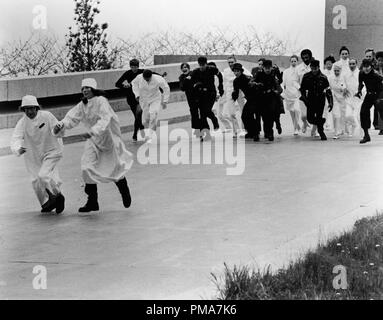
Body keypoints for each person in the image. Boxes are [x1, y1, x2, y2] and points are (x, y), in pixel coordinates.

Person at [53, 78, 133, 212]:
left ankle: (123, 188)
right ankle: (92, 201)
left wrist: (94, 131)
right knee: (86, 168)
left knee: (114, 167)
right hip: (92, 140)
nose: (85, 90)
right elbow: (71, 118)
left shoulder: (101, 100)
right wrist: (60, 125)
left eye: (88, 88)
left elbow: (105, 118)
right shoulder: (82, 104)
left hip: (107, 139)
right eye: (83, 88)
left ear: (93, 89)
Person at [11, 95, 65, 214]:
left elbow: (59, 130)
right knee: (36, 180)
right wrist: (18, 148)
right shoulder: (22, 122)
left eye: (31, 108)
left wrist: (57, 130)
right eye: (26, 109)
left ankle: (58, 196)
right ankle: (47, 203)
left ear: (37, 108)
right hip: (33, 154)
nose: (29, 111)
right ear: (23, 110)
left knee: (44, 175)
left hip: (52, 150)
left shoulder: (47, 116)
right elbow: (15, 138)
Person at [131, 69, 170, 144]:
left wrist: (165, 100)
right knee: (145, 120)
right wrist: (137, 94)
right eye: (145, 79)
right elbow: (134, 84)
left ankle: (150, 135)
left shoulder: (158, 79)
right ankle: (147, 130)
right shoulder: (139, 77)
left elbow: (166, 88)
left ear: (151, 76)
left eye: (148, 79)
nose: (146, 80)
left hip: (155, 98)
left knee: (153, 114)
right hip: (143, 99)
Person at [300, 60, 334, 141]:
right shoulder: (306, 76)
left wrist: (330, 102)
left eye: (315, 68)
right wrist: (304, 99)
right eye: (312, 68)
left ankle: (321, 132)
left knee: (319, 116)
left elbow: (328, 91)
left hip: (320, 99)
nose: (314, 70)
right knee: (310, 118)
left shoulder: (323, 77)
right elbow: (302, 90)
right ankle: (321, 122)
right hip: (310, 99)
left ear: (318, 67)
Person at [190, 56, 221, 141]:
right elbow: (191, 81)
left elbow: (220, 76)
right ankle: (205, 133)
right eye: (200, 65)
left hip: (211, 93)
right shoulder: (196, 71)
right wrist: (195, 85)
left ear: (206, 64)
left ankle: (214, 120)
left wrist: (220, 87)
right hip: (201, 94)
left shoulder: (212, 69)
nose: (201, 67)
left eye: (203, 65)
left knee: (207, 110)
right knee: (202, 115)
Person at [115, 59, 145, 142]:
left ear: (138, 66)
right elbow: (117, 84)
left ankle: (135, 134)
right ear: (130, 66)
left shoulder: (142, 72)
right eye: (132, 67)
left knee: (138, 114)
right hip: (131, 97)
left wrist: (161, 76)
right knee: (137, 116)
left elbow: (152, 74)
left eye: (135, 67)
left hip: (140, 97)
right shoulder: (127, 73)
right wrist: (124, 86)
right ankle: (141, 128)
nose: (134, 69)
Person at [253, 59, 283, 142]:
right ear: (263, 68)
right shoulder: (259, 74)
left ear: (271, 68)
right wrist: (256, 84)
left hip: (271, 97)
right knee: (259, 116)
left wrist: (276, 91)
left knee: (269, 117)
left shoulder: (273, 74)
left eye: (269, 68)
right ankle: (257, 133)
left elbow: (279, 84)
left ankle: (270, 132)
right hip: (261, 98)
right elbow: (252, 82)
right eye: (266, 68)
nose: (267, 70)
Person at [356, 59, 383, 144]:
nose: (366, 69)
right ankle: (366, 135)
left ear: (371, 67)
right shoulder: (361, 73)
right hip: (369, 95)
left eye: (368, 67)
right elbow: (361, 83)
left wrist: (380, 99)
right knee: (363, 112)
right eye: (364, 67)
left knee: (382, 114)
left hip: (378, 95)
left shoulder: (376, 75)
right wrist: (359, 91)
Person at [222, 55, 250, 137]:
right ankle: (236, 130)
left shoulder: (241, 69)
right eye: (229, 62)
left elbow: (249, 76)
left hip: (240, 92)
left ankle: (245, 129)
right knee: (231, 113)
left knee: (243, 111)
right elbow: (224, 83)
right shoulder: (225, 71)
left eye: (232, 62)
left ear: (235, 62)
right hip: (230, 93)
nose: (230, 64)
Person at [231, 63, 259, 140]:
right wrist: (233, 98)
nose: (236, 73)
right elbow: (236, 92)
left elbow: (255, 87)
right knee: (244, 116)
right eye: (234, 71)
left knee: (250, 115)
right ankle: (250, 132)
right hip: (250, 99)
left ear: (241, 71)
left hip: (256, 98)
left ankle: (255, 133)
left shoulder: (247, 78)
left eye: (237, 71)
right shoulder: (236, 81)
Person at [208, 61, 230, 133]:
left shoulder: (221, 75)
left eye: (212, 68)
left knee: (225, 114)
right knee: (220, 115)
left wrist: (220, 93)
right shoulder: (208, 77)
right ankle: (228, 128)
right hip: (217, 98)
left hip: (225, 96)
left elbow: (226, 85)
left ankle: (234, 126)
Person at [297, 49, 315, 135]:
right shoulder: (299, 68)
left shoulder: (315, 66)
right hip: (303, 94)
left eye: (307, 57)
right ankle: (304, 123)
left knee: (314, 113)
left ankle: (315, 130)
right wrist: (299, 88)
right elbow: (294, 81)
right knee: (304, 115)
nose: (305, 59)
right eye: (303, 58)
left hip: (314, 94)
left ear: (310, 57)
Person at [179, 63, 200, 136]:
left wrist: (196, 84)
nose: (184, 69)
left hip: (198, 95)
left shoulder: (192, 73)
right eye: (183, 68)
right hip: (190, 98)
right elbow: (182, 88)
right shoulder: (181, 77)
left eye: (185, 67)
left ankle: (202, 128)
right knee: (194, 113)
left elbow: (199, 81)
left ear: (188, 68)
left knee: (201, 113)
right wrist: (186, 79)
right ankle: (197, 129)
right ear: (181, 69)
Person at [282, 55, 301, 135]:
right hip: (288, 95)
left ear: (297, 61)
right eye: (292, 61)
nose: (293, 63)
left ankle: (297, 126)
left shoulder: (299, 71)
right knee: (292, 113)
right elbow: (284, 83)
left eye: (295, 61)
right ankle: (295, 128)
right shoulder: (286, 72)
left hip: (297, 95)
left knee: (297, 110)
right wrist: (283, 93)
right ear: (290, 62)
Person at [343, 58, 361, 137]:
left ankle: (361, 132)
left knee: (357, 116)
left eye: (353, 64)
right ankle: (354, 125)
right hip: (349, 98)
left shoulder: (360, 73)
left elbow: (363, 84)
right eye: (350, 64)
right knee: (347, 115)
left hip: (358, 98)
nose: (352, 65)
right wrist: (344, 88)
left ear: (356, 64)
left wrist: (360, 92)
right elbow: (342, 83)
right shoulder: (346, 74)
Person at [329, 64, 347, 139]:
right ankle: (336, 132)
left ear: (340, 70)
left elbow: (345, 87)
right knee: (336, 115)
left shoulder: (343, 77)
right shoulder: (330, 78)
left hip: (343, 98)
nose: (336, 72)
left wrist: (343, 89)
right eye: (335, 71)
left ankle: (342, 129)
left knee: (343, 115)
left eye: (338, 71)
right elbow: (329, 87)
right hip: (334, 98)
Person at [322, 55, 336, 130]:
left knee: (334, 108)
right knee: (326, 107)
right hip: (326, 92)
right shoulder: (323, 72)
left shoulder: (335, 72)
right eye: (326, 64)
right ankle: (327, 123)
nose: (328, 65)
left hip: (334, 92)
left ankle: (333, 124)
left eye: (330, 63)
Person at [374, 51, 383, 135]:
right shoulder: (375, 70)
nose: (380, 62)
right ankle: (381, 128)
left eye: (382, 60)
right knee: (380, 109)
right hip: (379, 91)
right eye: (379, 60)